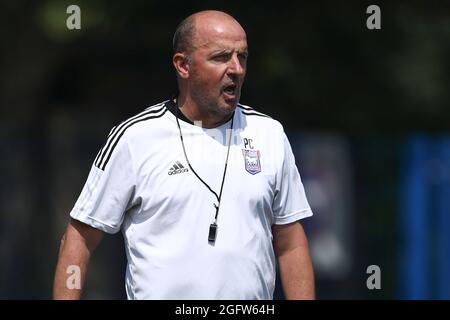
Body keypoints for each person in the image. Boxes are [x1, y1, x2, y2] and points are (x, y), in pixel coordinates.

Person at [53, 10, 315, 300]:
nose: (236, 69)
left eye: (242, 57)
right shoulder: (135, 137)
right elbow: (78, 240)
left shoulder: (269, 134)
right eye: (221, 57)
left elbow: (291, 243)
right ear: (183, 65)